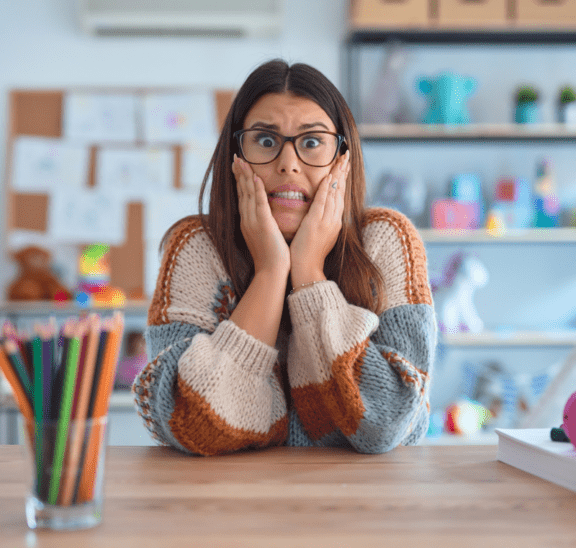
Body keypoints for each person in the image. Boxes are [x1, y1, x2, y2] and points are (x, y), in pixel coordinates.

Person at [133, 59, 437, 456]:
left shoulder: (385, 239)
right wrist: (271, 271)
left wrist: (309, 273)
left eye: (312, 142)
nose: (288, 163)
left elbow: (386, 423)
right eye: (264, 140)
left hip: (365, 506)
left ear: (342, 157)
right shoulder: (196, 246)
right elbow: (192, 423)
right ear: (235, 155)